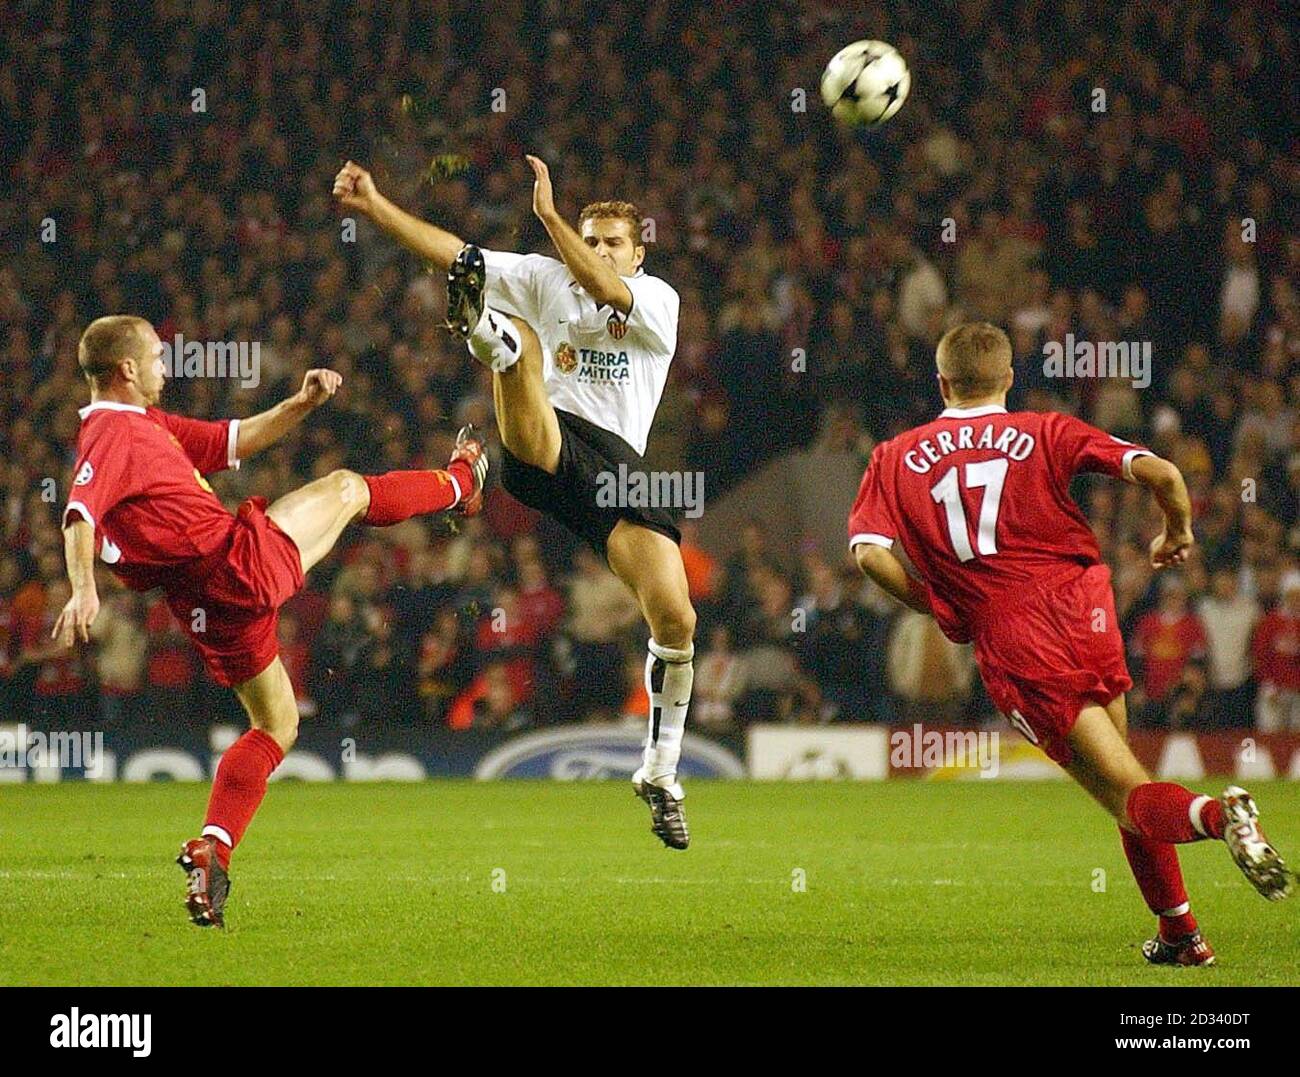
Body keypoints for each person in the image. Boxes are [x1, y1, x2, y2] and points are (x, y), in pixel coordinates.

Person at [848, 321, 1292, 967]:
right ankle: (1181, 936)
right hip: (1085, 605)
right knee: (1128, 778)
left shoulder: (894, 455)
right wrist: (1177, 531)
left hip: (1015, 630)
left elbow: (867, 556)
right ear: (1007, 378)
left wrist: (933, 601)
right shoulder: (1044, 428)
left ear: (941, 381)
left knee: (1124, 794)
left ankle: (1222, 819)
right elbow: (1163, 472)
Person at [52, 315, 488, 927]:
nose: (166, 366)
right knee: (346, 490)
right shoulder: (112, 434)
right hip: (234, 565)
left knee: (276, 723)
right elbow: (78, 512)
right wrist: (82, 591)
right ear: (126, 370)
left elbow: (234, 441)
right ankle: (462, 483)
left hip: (206, 609)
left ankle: (215, 847)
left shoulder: (146, 426)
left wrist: (301, 403)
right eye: (155, 356)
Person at [334, 157, 696, 848]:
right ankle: (483, 333)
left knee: (676, 617)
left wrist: (552, 218)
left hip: (617, 470)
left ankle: (659, 772)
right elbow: (457, 252)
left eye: (612, 241)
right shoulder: (543, 275)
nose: (596, 251)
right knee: (521, 341)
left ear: (638, 251)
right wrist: (377, 207)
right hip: (548, 443)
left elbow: (604, 287)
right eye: (590, 239)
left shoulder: (658, 299)